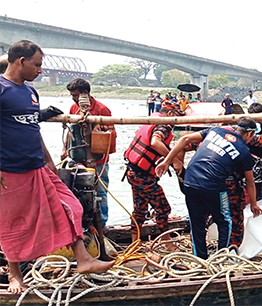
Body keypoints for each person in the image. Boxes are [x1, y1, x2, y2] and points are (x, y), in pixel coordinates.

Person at [0, 40, 114, 294]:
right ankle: (14, 274)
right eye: (37, 64)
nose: (40, 70)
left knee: (71, 206)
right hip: (9, 170)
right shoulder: (1, 88)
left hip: (37, 166)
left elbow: (32, 127)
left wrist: (49, 160)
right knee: (13, 223)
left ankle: (84, 259)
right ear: (21, 61)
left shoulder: (30, 92)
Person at [155, 117, 262, 259]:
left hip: (190, 180)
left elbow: (184, 140)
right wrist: (254, 204)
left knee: (197, 223)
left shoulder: (215, 131)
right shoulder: (244, 151)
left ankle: (200, 258)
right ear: (250, 134)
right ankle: (221, 258)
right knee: (225, 221)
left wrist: (166, 162)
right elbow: (250, 181)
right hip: (213, 185)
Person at [123, 100, 185, 245]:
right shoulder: (164, 125)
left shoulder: (153, 119)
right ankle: (167, 242)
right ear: (170, 114)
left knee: (140, 208)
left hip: (133, 172)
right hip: (142, 176)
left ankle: (134, 242)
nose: (177, 121)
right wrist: (173, 159)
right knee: (162, 207)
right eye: (176, 116)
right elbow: (155, 142)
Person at [62, 78, 115, 226]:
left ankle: (102, 224)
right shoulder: (74, 108)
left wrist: (98, 128)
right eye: (72, 95)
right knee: (76, 189)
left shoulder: (102, 109)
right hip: (78, 158)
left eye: (75, 95)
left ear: (84, 93)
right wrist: (65, 149)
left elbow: (111, 132)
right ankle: (82, 222)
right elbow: (71, 131)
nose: (73, 98)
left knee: (101, 192)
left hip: (98, 160)